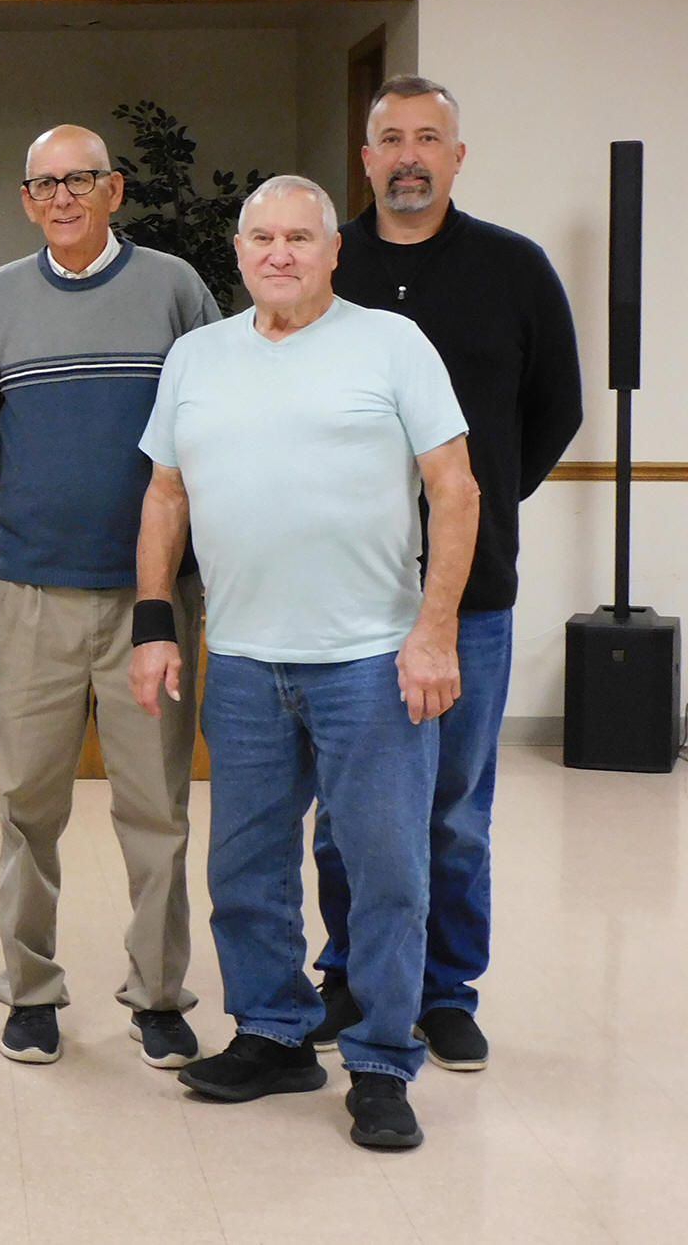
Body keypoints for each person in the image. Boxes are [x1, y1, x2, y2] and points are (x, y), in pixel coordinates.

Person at [131, 174, 478, 1151]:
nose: (278, 253)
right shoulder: (198, 357)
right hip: (243, 661)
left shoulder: (390, 343)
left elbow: (454, 490)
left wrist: (434, 630)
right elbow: (164, 494)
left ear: (333, 251)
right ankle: (273, 1034)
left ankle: (379, 1060)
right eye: (261, 238)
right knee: (245, 868)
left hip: (370, 661)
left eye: (298, 237)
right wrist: (154, 622)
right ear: (237, 252)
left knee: (385, 871)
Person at [307, 76, 581, 1070]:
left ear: (457, 156)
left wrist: (483, 502)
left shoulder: (514, 268)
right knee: (344, 814)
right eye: (390, 139)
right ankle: (347, 975)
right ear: (365, 158)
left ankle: (445, 990)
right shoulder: (325, 264)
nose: (408, 156)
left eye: (428, 138)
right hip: (345, 594)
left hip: (471, 594)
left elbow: (554, 409)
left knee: (454, 811)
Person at [0, 124, 221, 1069]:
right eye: (44, 184)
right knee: (27, 808)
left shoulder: (174, 289)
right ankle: (29, 991)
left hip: (151, 601)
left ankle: (158, 993)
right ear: (26, 200)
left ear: (115, 190)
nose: (62, 197)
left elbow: (211, 422)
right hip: (31, 593)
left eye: (81, 180)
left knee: (156, 810)